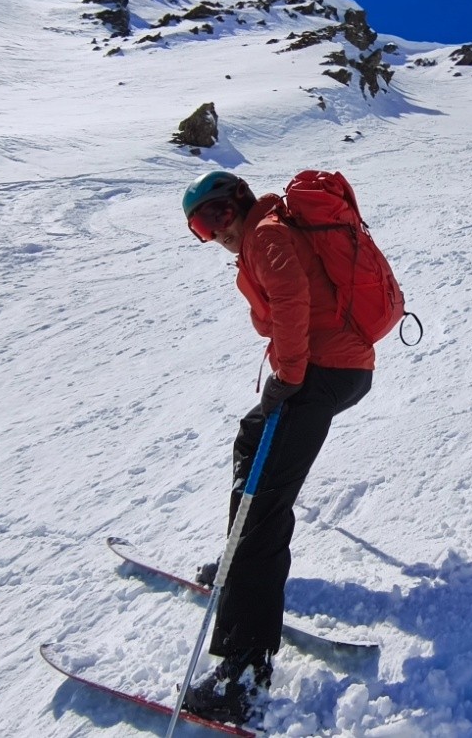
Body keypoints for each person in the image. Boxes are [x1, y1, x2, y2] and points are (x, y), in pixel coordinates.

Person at [178, 170, 375, 725]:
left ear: (239, 201)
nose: (215, 231)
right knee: (252, 438)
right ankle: (240, 561)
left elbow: (291, 300)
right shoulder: (265, 233)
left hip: (321, 371)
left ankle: (243, 675)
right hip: (335, 367)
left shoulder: (266, 234)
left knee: (264, 506)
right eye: (200, 227)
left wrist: (287, 376)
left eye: (217, 215)